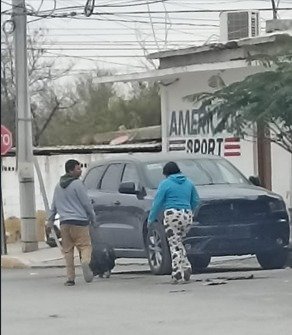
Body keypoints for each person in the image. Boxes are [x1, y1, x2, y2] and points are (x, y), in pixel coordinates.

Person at [147, 161, 200, 284]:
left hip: (172, 215)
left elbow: (157, 202)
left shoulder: (165, 184)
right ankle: (186, 267)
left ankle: (177, 273)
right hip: (187, 215)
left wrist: (151, 218)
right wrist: (190, 211)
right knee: (179, 242)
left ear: (167, 173)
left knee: (174, 244)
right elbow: (196, 200)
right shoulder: (189, 183)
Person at [47, 159, 96, 286]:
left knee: (68, 251)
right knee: (85, 246)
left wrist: (50, 220)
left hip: (64, 223)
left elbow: (54, 205)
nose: (80, 171)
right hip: (79, 222)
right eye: (78, 169)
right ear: (70, 170)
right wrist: (92, 217)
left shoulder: (58, 186)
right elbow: (86, 203)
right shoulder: (78, 184)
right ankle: (85, 262)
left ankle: (70, 278)